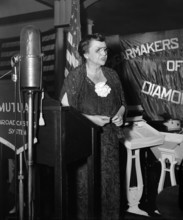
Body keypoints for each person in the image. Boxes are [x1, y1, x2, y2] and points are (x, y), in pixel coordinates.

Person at [60, 33, 126, 220]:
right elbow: (64, 111)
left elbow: (122, 103)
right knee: (85, 191)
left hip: (110, 144)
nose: (104, 53)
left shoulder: (112, 75)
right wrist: (90, 119)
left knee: (110, 188)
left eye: (105, 49)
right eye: (98, 50)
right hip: (85, 146)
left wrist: (120, 116)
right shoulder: (75, 77)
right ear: (86, 54)